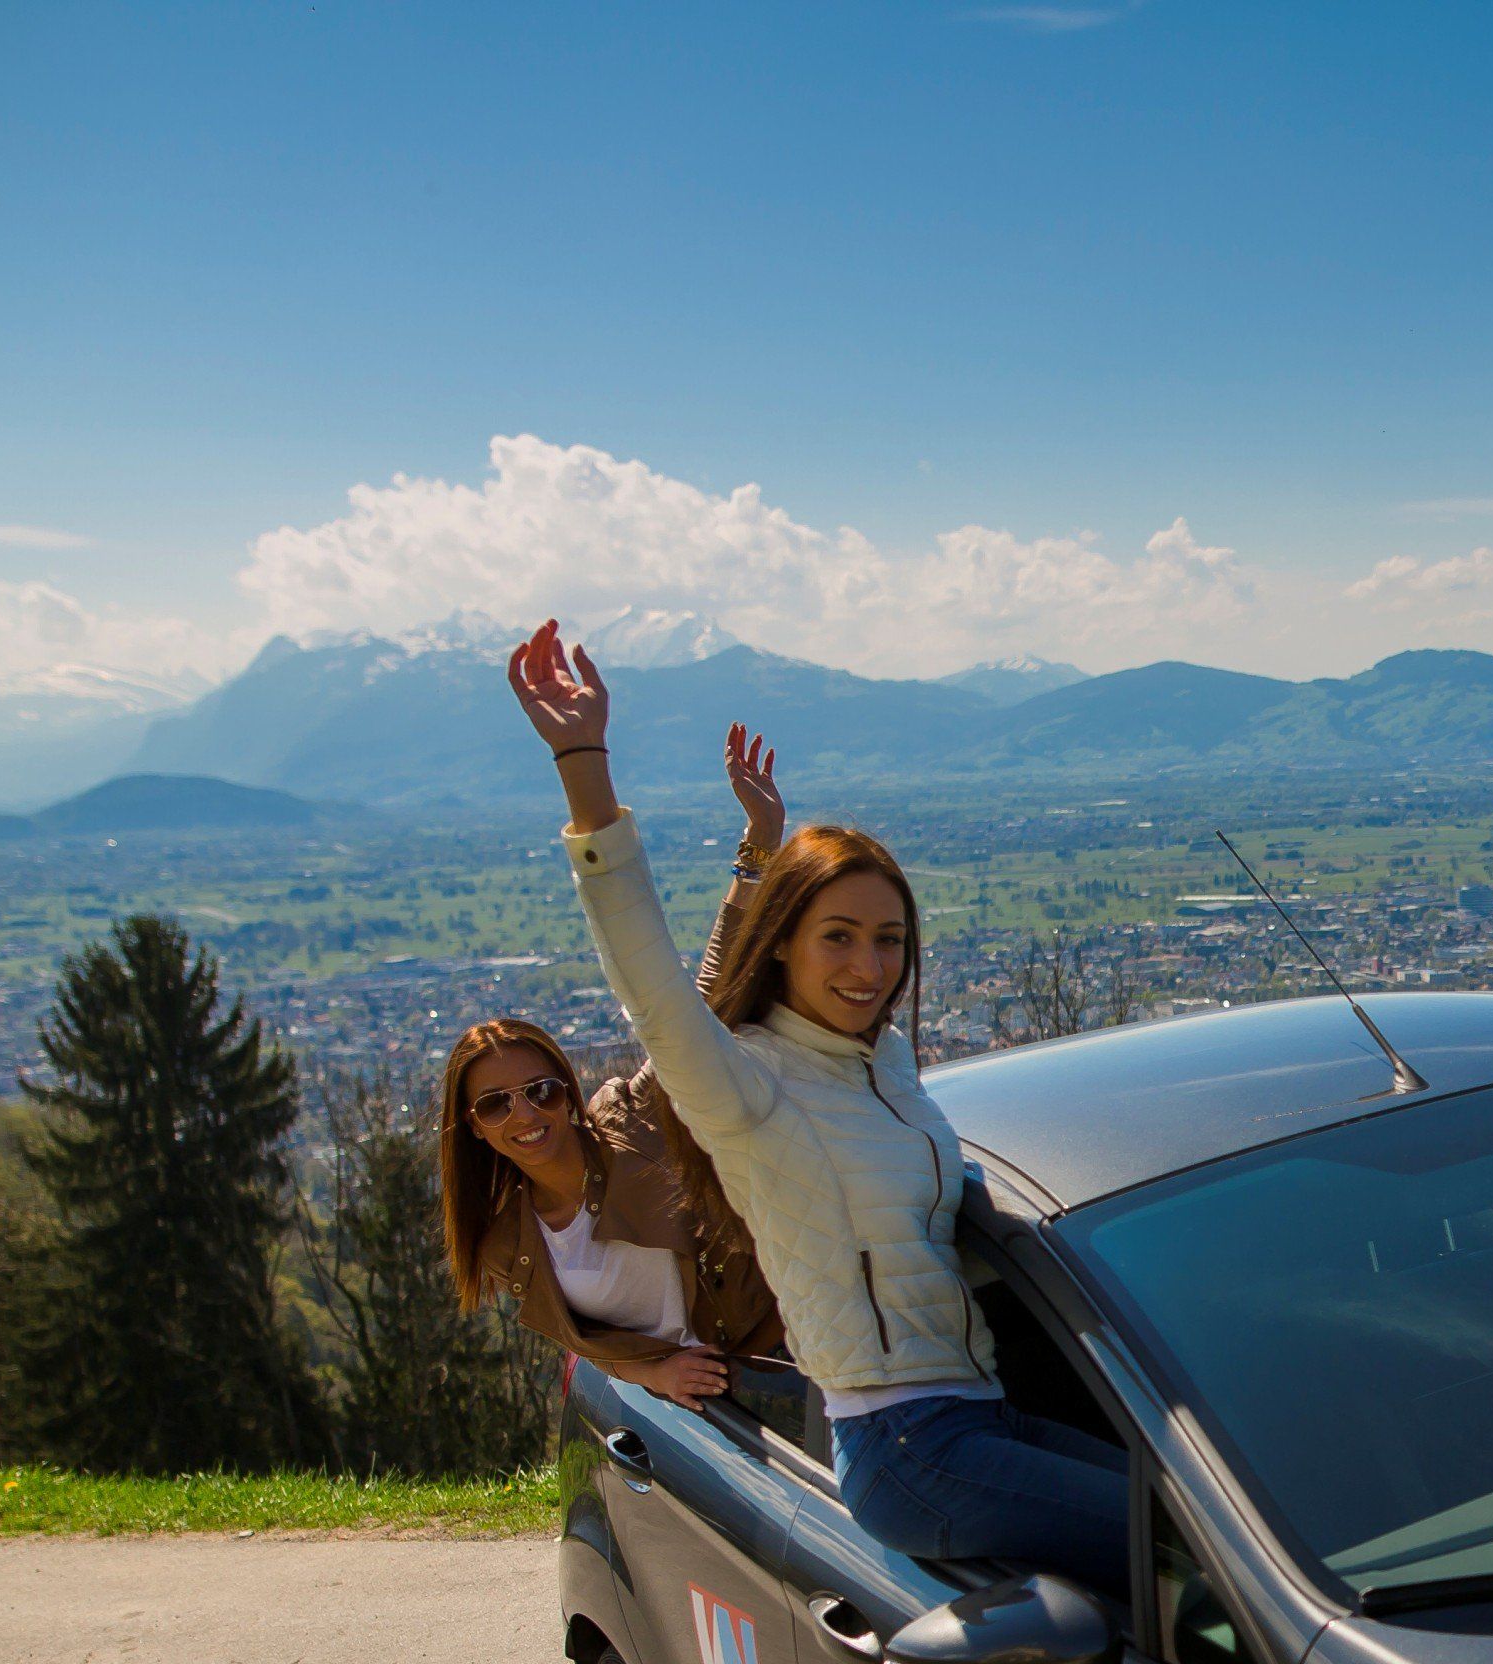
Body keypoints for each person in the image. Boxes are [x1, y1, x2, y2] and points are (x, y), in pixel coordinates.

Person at [503, 619, 1129, 1597]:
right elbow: (659, 992)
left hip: (984, 1407)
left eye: (887, 939)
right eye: (837, 936)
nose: (868, 965)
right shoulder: (754, 1083)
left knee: (1193, 1509)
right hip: (905, 1442)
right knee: (1174, 1552)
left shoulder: (884, 1064)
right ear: (785, 942)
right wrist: (582, 765)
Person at [442, 1015, 782, 1404]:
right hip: (718, 1401)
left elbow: (691, 1017)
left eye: (540, 1091)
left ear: (567, 1092)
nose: (524, 1114)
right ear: (474, 1125)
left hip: (789, 1337)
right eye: (494, 1104)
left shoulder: (632, 1121)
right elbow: (590, 1343)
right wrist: (657, 1374)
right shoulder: (510, 1249)